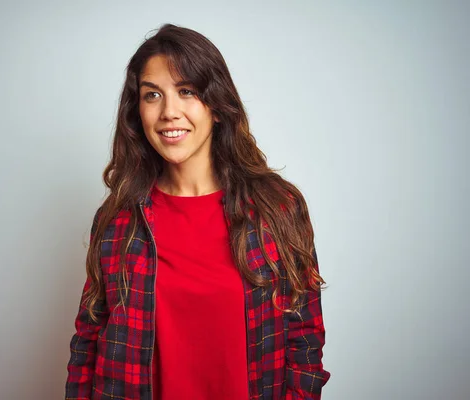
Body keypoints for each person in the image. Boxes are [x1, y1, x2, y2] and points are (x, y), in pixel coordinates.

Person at [65, 24, 330, 400]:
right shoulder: (117, 220)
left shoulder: (277, 209)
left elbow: (304, 341)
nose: (169, 112)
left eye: (186, 91)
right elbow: (88, 340)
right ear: (136, 111)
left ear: (217, 106)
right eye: (152, 94)